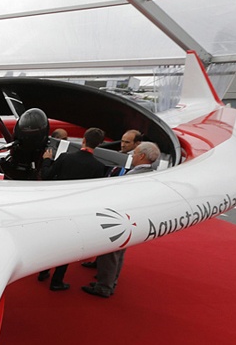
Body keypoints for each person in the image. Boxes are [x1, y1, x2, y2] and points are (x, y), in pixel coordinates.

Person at [82, 142, 161, 298]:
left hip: (121, 218)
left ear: (142, 156)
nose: (132, 156)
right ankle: (110, 281)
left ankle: (104, 286)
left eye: (135, 153)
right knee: (118, 252)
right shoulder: (150, 174)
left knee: (111, 251)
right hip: (129, 218)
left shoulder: (136, 176)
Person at [37, 127, 108, 290]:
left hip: (57, 207)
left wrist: (47, 160)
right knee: (68, 246)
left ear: (83, 139)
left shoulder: (65, 157)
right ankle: (57, 281)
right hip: (77, 212)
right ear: (99, 144)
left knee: (51, 240)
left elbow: (47, 176)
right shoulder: (99, 167)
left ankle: (43, 271)